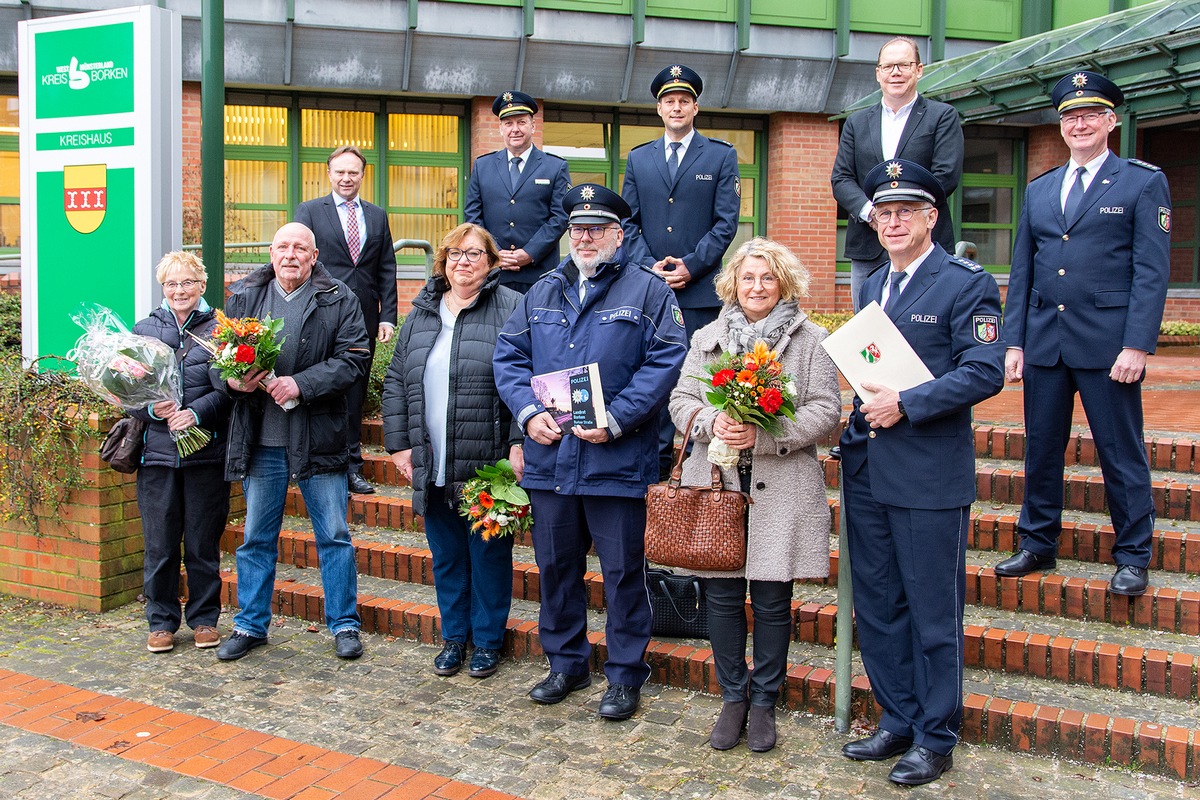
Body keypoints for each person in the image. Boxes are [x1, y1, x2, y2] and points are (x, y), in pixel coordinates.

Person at [493, 183, 688, 721]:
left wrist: (618, 418)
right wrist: (528, 414)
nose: (584, 237)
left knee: (624, 573)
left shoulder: (649, 292)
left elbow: (667, 361)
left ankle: (625, 675)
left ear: (617, 236)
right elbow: (508, 357)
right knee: (556, 567)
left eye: (596, 229)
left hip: (617, 460)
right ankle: (567, 663)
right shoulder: (544, 290)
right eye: (577, 229)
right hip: (552, 460)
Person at [838, 159, 1004, 785]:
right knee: (879, 605)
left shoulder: (965, 283)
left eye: (906, 211)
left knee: (933, 610)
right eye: (884, 212)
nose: (893, 221)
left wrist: (907, 402)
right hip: (871, 469)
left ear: (932, 217)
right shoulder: (872, 284)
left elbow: (984, 370)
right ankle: (896, 718)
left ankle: (936, 735)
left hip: (930, 474)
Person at [996, 71, 1172, 598]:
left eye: (1091, 114)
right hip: (1047, 342)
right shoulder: (1040, 187)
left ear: (1111, 121)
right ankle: (1037, 542)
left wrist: (1137, 344)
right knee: (1042, 448)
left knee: (1120, 451)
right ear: (1061, 124)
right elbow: (1023, 269)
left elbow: (1151, 270)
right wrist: (1014, 340)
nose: (1080, 123)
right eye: (1071, 115)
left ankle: (1133, 554)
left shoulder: (1142, 181)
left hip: (1109, 346)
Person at [667, 238, 840, 753]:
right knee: (720, 598)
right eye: (748, 278)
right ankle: (733, 697)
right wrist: (709, 420)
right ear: (732, 285)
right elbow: (681, 400)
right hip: (717, 485)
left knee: (770, 599)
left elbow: (826, 409)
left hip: (780, 487)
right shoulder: (707, 338)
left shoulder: (810, 340)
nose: (757, 287)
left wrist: (765, 434)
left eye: (767, 278)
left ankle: (764, 702)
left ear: (783, 284)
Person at [214, 222, 372, 662]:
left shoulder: (339, 298)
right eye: (283, 247)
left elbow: (355, 360)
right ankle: (249, 626)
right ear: (270, 252)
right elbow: (216, 358)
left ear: (314, 255)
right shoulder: (244, 295)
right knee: (256, 539)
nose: (290, 255)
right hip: (260, 443)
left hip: (317, 439)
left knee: (335, 536)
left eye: (300, 248)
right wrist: (232, 380)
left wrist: (300, 384)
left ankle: (344, 624)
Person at [381, 223, 523, 679]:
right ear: (442, 261)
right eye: (456, 254)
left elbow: (529, 378)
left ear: (491, 261)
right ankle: (454, 638)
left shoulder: (512, 308)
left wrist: (520, 443)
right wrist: (399, 445)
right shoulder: (421, 312)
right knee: (446, 557)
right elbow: (396, 384)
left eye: (475, 254)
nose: (465, 262)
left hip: (489, 459)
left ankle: (486, 642)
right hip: (432, 457)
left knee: (488, 556)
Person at [621, 64, 741, 477]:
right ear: (659, 108)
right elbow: (628, 222)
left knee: (702, 387)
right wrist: (649, 267)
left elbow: (726, 222)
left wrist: (689, 266)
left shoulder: (721, 155)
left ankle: (699, 485)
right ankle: (653, 486)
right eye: (669, 101)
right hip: (649, 292)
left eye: (684, 101)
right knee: (654, 388)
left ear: (695, 107)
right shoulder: (639, 159)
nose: (677, 107)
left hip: (700, 295)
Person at [130, 251, 232, 654]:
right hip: (157, 455)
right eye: (171, 284)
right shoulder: (144, 329)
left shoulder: (222, 329)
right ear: (162, 288)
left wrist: (195, 413)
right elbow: (126, 391)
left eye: (187, 282)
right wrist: (152, 409)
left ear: (202, 286)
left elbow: (230, 390)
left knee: (204, 542)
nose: (179, 290)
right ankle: (161, 621)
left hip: (205, 452)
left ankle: (205, 619)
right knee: (159, 543)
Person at [831, 36, 964, 309]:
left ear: (919, 70)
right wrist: (875, 215)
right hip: (869, 246)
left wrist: (901, 213)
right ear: (878, 73)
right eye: (888, 66)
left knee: (926, 326)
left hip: (925, 245)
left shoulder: (942, 116)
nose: (896, 72)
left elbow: (945, 175)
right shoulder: (856, 122)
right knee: (867, 339)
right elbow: (841, 179)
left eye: (903, 65)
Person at [295, 145, 399, 495]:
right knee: (319, 387)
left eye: (353, 172)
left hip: (364, 317)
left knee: (354, 392)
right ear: (329, 174)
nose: (346, 177)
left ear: (362, 175)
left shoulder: (377, 214)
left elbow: (386, 267)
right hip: (320, 314)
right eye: (340, 171)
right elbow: (300, 262)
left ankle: (351, 467)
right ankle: (312, 464)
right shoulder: (309, 211)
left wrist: (388, 317)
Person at [464, 91, 571, 293]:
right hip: (493, 272)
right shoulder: (482, 166)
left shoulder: (555, 167)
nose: (515, 129)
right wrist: (494, 253)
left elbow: (560, 216)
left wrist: (529, 253)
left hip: (538, 273)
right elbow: (473, 216)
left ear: (533, 125)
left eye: (521, 122)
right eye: (508, 123)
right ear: (500, 129)